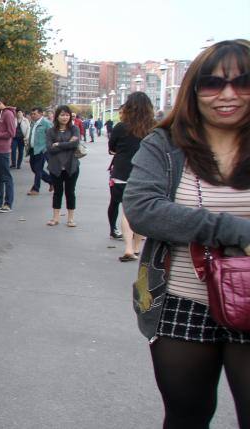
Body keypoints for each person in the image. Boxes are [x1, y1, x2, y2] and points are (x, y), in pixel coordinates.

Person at [123, 39, 250, 429]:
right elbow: (143, 208)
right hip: (182, 302)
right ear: (194, 91)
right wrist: (234, 230)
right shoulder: (165, 144)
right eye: (212, 83)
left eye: (242, 81)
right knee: (185, 417)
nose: (226, 94)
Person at [107, 92, 154, 256]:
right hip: (145, 174)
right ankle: (136, 247)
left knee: (126, 210)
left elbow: (112, 147)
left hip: (121, 172)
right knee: (140, 212)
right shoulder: (155, 128)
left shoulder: (121, 126)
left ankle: (128, 248)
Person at [45, 105, 81, 227]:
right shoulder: (51, 131)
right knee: (57, 192)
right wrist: (67, 144)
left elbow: (75, 144)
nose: (65, 117)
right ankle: (55, 218)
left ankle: (70, 219)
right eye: (62, 115)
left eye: (67, 115)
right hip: (56, 167)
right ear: (57, 116)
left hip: (72, 166)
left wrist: (58, 144)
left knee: (70, 192)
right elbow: (50, 148)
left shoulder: (74, 129)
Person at [26, 107, 53, 195]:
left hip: (42, 150)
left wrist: (46, 148)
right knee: (34, 168)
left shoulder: (46, 123)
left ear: (41, 114)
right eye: (32, 114)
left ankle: (35, 189)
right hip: (33, 150)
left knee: (38, 169)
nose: (33, 116)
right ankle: (52, 181)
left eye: (35, 114)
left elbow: (52, 136)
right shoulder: (33, 123)